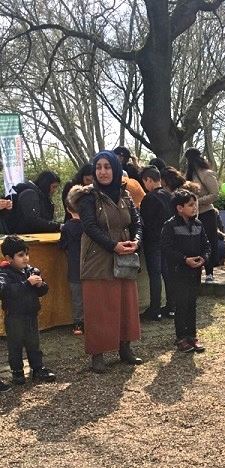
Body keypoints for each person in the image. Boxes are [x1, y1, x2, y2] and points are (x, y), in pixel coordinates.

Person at [68, 150, 143, 373]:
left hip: (124, 255)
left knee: (126, 303)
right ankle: (98, 354)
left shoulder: (125, 194)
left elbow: (137, 223)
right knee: (98, 306)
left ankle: (125, 348)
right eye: (98, 167)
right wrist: (112, 246)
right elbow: (90, 227)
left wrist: (136, 241)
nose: (103, 172)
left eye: (107, 167)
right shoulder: (87, 197)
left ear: (115, 169)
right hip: (97, 257)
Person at [0, 235, 56, 386]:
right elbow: (4, 291)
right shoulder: (4, 273)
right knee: (15, 346)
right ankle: (17, 372)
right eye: (20, 255)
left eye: (26, 254)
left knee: (34, 344)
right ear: (9, 258)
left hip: (31, 314)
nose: (25, 258)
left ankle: (38, 369)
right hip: (14, 317)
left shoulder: (31, 270)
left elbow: (43, 290)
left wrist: (40, 285)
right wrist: (26, 284)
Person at [161, 189, 210, 353]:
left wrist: (204, 258)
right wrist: (184, 260)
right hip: (178, 272)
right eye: (190, 205)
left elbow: (206, 245)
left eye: (195, 204)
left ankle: (192, 336)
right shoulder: (170, 226)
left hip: (195, 272)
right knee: (181, 305)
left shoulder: (198, 224)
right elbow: (166, 249)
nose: (194, 207)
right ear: (179, 208)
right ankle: (181, 338)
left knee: (192, 304)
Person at [140, 165, 175, 321]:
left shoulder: (149, 198)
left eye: (144, 182)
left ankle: (155, 309)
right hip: (169, 241)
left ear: (148, 180)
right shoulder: (170, 196)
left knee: (155, 275)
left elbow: (144, 222)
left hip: (153, 241)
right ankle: (171, 307)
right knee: (168, 273)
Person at [184, 148, 219, 282]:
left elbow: (214, 194)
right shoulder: (188, 175)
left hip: (206, 213)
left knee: (209, 242)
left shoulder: (206, 174)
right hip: (192, 214)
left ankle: (209, 272)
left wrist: (198, 201)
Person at [59, 200, 84, 335]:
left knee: (77, 297)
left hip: (74, 266)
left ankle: (78, 324)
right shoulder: (89, 225)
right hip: (90, 265)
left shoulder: (66, 227)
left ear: (68, 209)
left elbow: (62, 245)